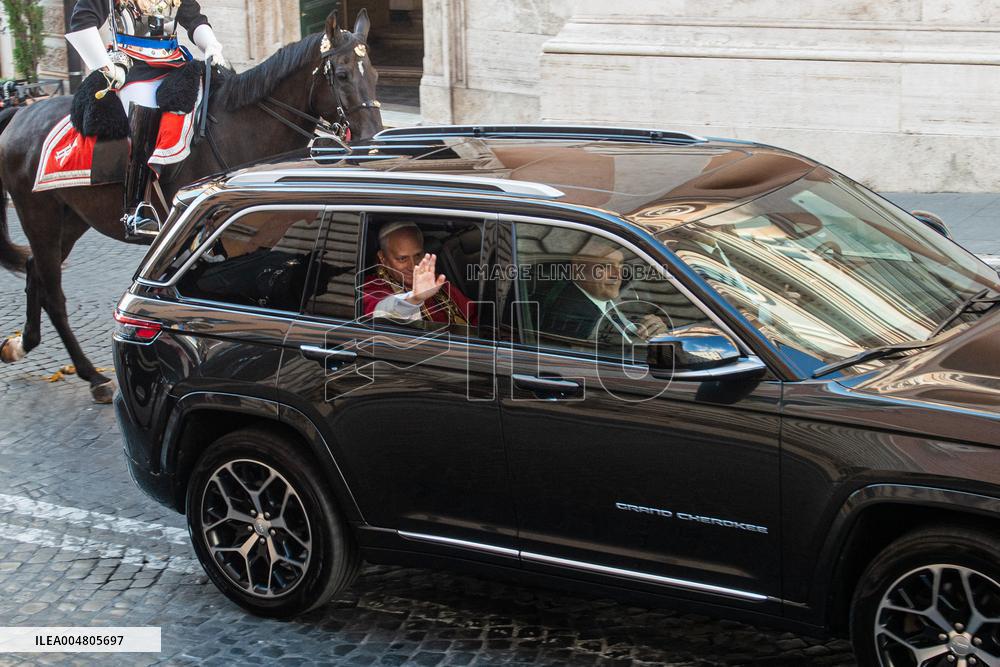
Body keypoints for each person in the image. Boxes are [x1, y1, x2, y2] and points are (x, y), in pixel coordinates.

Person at [65, 0, 229, 239]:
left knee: (217, 96)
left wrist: (212, 45)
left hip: (174, 61)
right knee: (145, 105)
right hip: (129, 66)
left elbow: (193, 19)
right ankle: (138, 207)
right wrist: (107, 66)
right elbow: (81, 23)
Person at [531, 239, 669, 347]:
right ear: (578, 269)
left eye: (620, 264)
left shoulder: (626, 295)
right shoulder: (568, 319)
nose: (617, 274)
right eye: (605, 266)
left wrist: (656, 330)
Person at [362, 222, 477, 326]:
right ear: (382, 257)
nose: (413, 266)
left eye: (417, 255)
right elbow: (382, 316)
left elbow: (472, 315)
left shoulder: (432, 281)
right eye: (402, 259)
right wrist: (414, 299)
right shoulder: (370, 288)